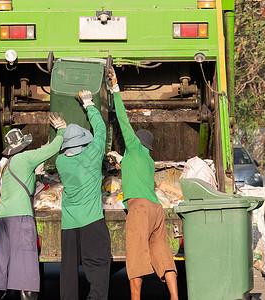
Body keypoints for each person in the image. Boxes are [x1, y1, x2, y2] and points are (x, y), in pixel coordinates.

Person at [106, 68, 179, 300]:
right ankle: (175, 298)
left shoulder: (134, 148)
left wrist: (115, 87)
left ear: (137, 143)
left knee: (136, 257)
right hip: (156, 211)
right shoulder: (147, 160)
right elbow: (130, 169)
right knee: (162, 254)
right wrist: (120, 161)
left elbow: (123, 120)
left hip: (138, 211)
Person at [0, 112, 67, 300]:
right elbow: (53, 148)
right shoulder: (26, 158)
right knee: (26, 264)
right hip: (21, 217)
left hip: (2, 218)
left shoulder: (3, 163)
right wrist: (61, 130)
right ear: (22, 146)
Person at [56, 90, 111, 300]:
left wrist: (62, 130)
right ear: (83, 143)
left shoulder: (61, 162)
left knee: (68, 271)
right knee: (98, 264)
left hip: (69, 224)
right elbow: (100, 129)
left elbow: (64, 149)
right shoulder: (93, 154)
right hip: (92, 221)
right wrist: (88, 104)